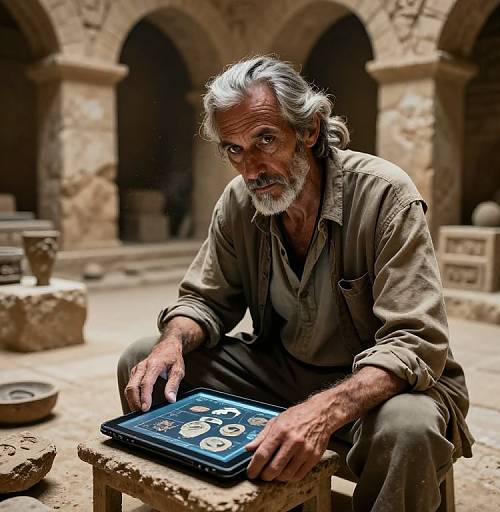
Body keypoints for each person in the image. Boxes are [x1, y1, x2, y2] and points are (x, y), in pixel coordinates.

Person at [117, 56, 473, 512]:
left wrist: (321, 412)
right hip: (281, 370)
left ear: (309, 130)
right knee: (145, 361)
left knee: (409, 428)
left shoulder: (386, 194)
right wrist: (172, 341)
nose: (251, 169)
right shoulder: (240, 201)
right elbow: (205, 300)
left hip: (375, 388)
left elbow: (416, 342)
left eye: (265, 139)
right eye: (235, 149)